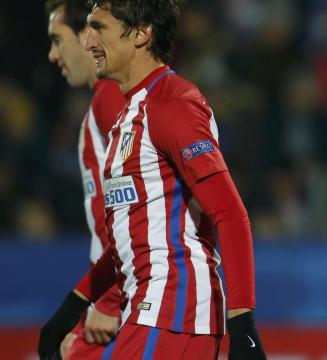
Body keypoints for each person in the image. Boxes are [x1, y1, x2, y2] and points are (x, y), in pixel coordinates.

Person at [38, 1, 266, 359]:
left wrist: (243, 325)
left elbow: (230, 214)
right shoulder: (129, 113)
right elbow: (131, 237)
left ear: (142, 33)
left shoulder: (172, 104)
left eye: (99, 28)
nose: (87, 43)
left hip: (175, 307)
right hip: (150, 308)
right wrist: (70, 308)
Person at [45, 0, 124, 358]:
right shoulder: (104, 100)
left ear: (85, 37)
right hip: (123, 289)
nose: (52, 54)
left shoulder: (111, 97)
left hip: (130, 297)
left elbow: (137, 199)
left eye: (57, 40)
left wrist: (107, 302)